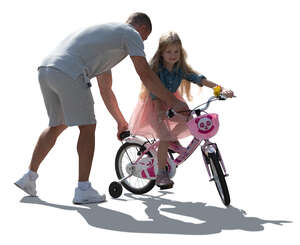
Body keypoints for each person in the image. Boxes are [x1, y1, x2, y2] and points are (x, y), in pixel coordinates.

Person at [14, 13, 188, 204]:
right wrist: (173, 101)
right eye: (144, 38)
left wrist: (121, 122)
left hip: (47, 70)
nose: (142, 42)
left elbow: (106, 89)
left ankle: (29, 178)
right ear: (143, 29)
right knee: (88, 127)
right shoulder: (131, 34)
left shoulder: (105, 39)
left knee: (57, 125)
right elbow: (145, 75)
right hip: (70, 71)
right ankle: (83, 189)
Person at [129, 31, 234, 189]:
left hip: (173, 102)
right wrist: (160, 111)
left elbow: (200, 79)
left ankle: (171, 139)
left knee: (191, 120)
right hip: (155, 103)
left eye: (176, 51)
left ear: (181, 52)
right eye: (169, 51)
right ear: (161, 53)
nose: (173, 55)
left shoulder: (180, 69)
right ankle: (161, 173)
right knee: (164, 136)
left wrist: (220, 89)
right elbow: (154, 92)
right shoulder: (156, 70)